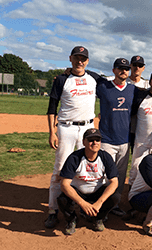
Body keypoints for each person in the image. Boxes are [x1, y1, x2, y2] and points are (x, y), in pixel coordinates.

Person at [45, 46, 102, 228]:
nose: (80, 61)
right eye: (77, 58)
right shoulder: (62, 79)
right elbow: (52, 106)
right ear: (70, 58)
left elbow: (114, 87)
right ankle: (53, 210)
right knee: (60, 170)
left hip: (88, 129)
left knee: (84, 170)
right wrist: (52, 132)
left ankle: (78, 207)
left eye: (83, 58)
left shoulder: (94, 78)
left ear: (87, 61)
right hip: (66, 128)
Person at [57, 128, 120, 235]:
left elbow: (114, 182)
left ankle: (98, 218)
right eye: (91, 140)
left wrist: (98, 203)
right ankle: (72, 219)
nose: (94, 143)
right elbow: (64, 184)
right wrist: (82, 203)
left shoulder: (105, 157)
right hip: (79, 191)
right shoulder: (75, 158)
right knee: (62, 199)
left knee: (115, 197)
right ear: (84, 142)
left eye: (97, 140)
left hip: (97, 191)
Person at [96, 58, 137, 216]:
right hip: (106, 139)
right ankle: (102, 206)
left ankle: (115, 204)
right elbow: (90, 76)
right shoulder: (103, 86)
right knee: (105, 176)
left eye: (126, 69)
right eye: (120, 68)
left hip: (124, 141)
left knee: (119, 176)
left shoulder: (132, 90)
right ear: (113, 70)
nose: (123, 71)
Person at [128, 70, 152, 188]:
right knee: (135, 171)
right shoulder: (141, 98)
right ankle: (130, 199)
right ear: (149, 82)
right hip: (141, 143)